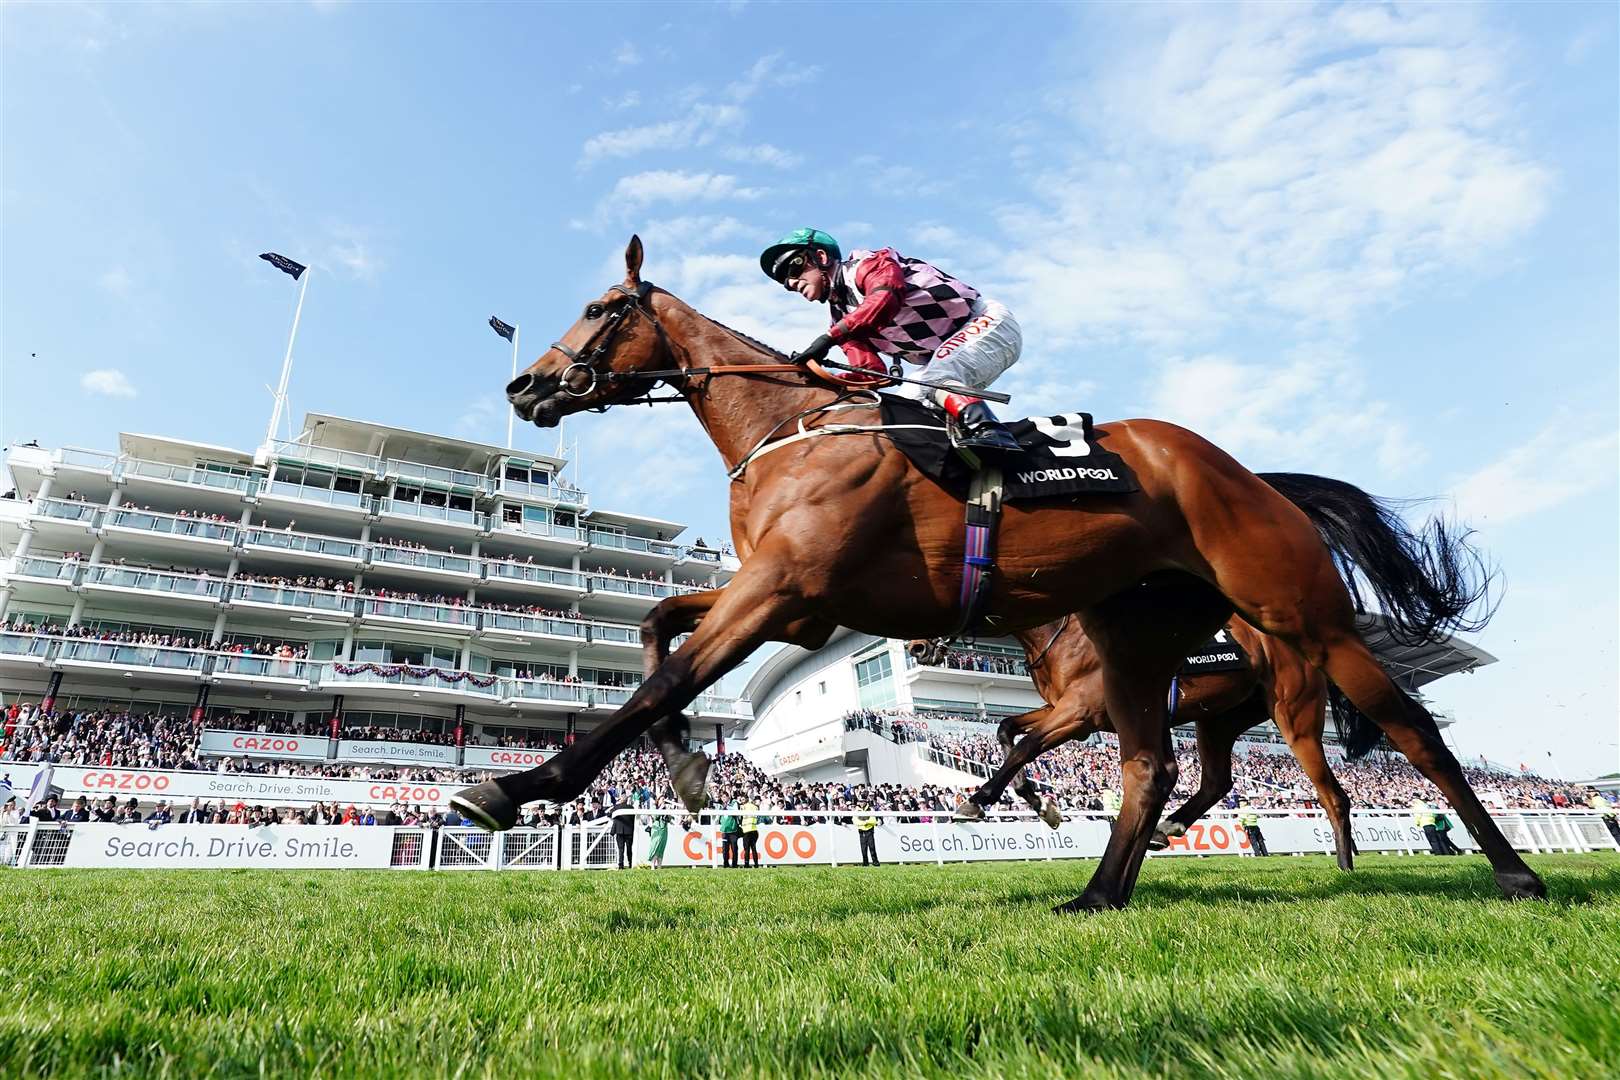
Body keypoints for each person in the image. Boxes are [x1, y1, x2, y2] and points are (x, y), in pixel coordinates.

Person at [759, 228, 1022, 452]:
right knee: (902, 409)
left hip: (984, 321)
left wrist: (829, 338)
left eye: (792, 267)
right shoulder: (840, 318)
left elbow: (884, 298)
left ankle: (992, 433)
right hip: (942, 354)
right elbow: (871, 374)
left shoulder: (869, 264)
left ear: (821, 256)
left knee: (935, 378)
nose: (791, 282)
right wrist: (821, 379)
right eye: (784, 281)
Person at [611, 798, 635, 869]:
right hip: (629, 831)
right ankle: (631, 864)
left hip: (619, 831)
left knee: (620, 849)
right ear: (627, 800)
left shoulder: (617, 807)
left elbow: (609, 814)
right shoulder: (631, 807)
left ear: (621, 800)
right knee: (629, 849)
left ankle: (621, 865)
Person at [718, 803, 742, 869]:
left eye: (725, 797)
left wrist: (728, 807)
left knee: (734, 849)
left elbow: (736, 811)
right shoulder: (720, 808)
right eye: (723, 797)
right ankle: (726, 864)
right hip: (724, 832)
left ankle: (734, 864)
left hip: (733, 832)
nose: (724, 799)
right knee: (725, 849)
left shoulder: (733, 804)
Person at [740, 794, 761, 869]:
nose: (741, 801)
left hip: (746, 830)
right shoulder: (755, 807)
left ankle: (746, 864)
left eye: (742, 799)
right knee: (754, 848)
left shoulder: (743, 807)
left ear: (746, 799)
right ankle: (756, 864)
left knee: (747, 849)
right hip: (754, 829)